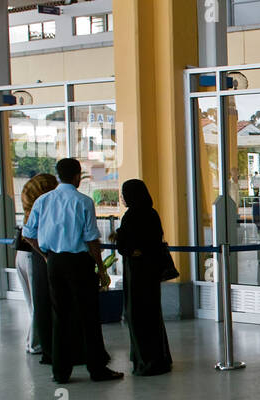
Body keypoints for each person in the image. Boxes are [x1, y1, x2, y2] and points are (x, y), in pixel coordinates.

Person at [23, 157, 123, 384]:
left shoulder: (43, 201)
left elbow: (28, 234)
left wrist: (47, 256)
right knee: (89, 316)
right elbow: (91, 239)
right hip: (79, 263)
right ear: (78, 176)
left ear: (58, 176)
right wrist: (100, 267)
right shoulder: (83, 201)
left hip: (55, 263)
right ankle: (97, 369)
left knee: (60, 316)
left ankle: (60, 371)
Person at [115, 179, 172, 376]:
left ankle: (144, 360)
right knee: (152, 314)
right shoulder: (152, 213)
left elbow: (124, 246)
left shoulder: (130, 216)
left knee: (137, 315)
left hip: (137, 273)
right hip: (152, 271)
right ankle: (159, 357)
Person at [15, 173, 58, 359]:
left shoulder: (29, 206)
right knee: (39, 302)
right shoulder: (43, 209)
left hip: (22, 256)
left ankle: (33, 341)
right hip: (34, 257)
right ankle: (36, 343)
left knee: (32, 302)